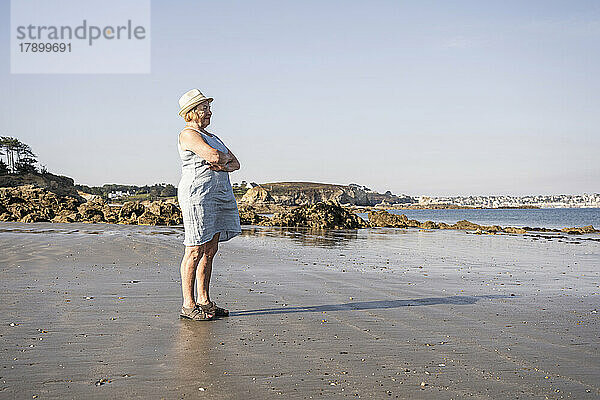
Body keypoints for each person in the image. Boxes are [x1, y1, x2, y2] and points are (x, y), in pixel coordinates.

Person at [176, 88, 242, 321]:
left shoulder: (214, 136)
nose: (209, 112)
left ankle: (204, 301)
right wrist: (221, 160)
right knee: (194, 249)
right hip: (198, 195)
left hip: (219, 195)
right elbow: (214, 156)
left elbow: (236, 164)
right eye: (204, 108)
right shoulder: (188, 134)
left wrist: (222, 161)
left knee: (211, 250)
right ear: (192, 112)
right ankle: (188, 304)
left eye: (208, 107)